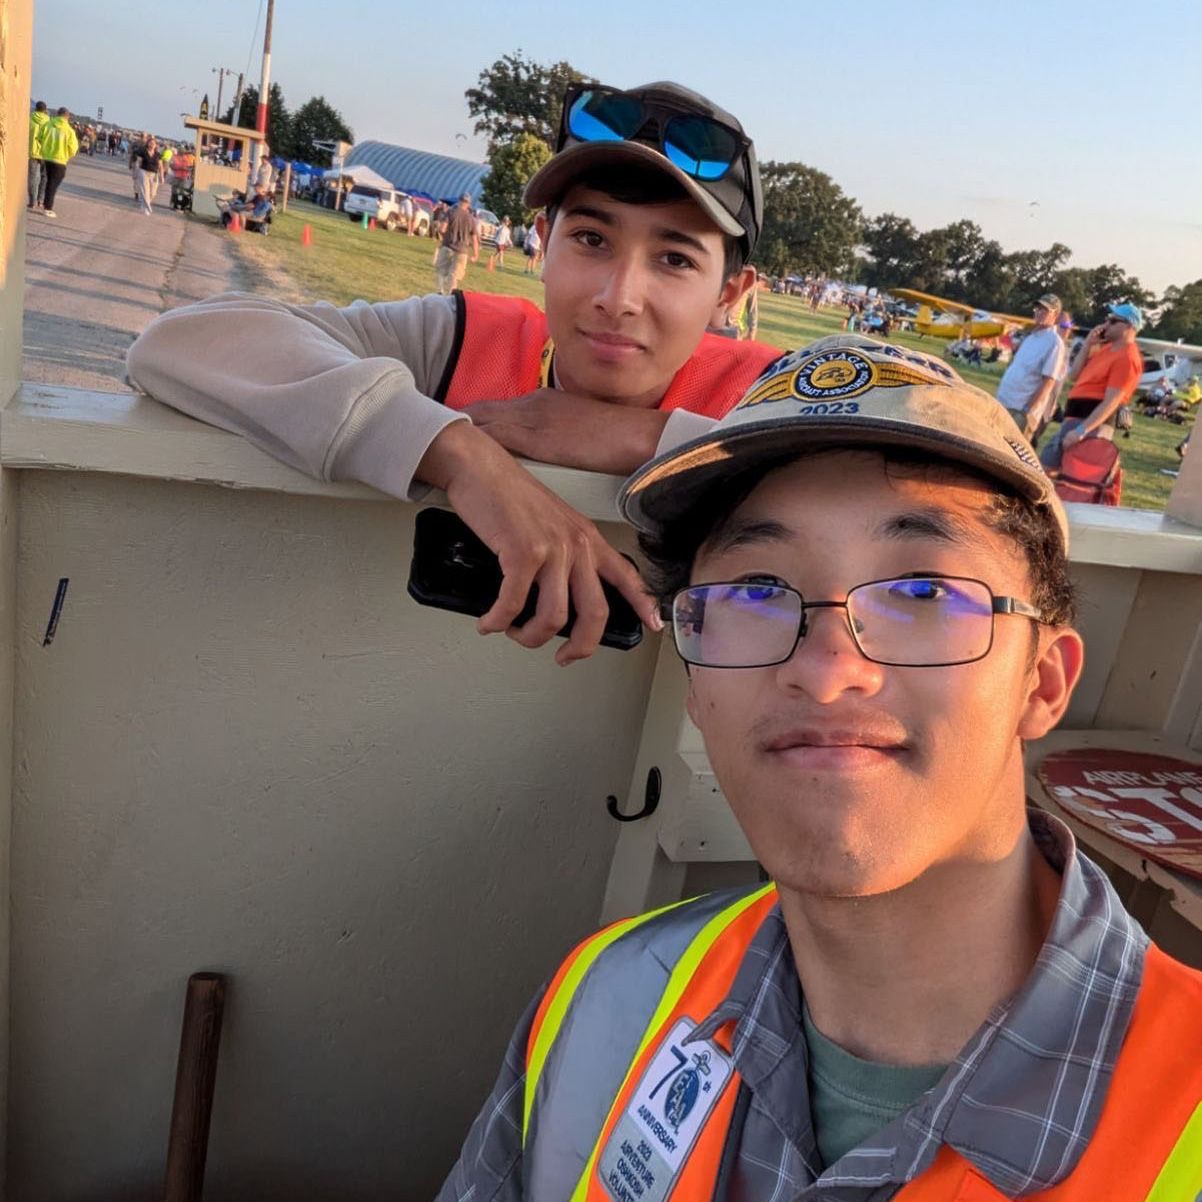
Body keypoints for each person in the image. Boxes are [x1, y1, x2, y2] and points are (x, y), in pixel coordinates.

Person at [440, 334, 1202, 1200]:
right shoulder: (608, 996)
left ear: (1042, 681)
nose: (828, 667)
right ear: (695, 682)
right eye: (756, 593)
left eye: (922, 593)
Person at [127, 80, 779, 665]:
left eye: (674, 259)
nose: (619, 295)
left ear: (732, 293)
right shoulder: (460, 337)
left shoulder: (769, 394)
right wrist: (457, 451)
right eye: (591, 239)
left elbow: (877, 473)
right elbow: (180, 341)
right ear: (541, 243)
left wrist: (643, 440)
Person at [1040, 302, 1144, 472]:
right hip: (1074, 419)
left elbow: (1112, 401)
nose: (1105, 325)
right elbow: (1074, 375)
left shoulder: (1128, 357)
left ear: (1129, 327)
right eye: (1107, 320)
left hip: (1090, 425)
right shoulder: (1106, 349)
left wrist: (1081, 430)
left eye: (1112, 321)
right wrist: (1088, 345)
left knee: (1067, 473)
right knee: (1048, 467)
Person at [993, 294, 1066, 440]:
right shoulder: (1031, 337)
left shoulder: (1054, 342)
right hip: (1003, 403)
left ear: (1055, 315)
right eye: (1038, 308)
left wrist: (1026, 411)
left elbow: (1048, 382)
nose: (1039, 312)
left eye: (1045, 310)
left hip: (1019, 410)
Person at [37, 106, 79, 219]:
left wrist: (46, 149)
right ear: (67, 116)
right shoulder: (69, 130)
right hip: (60, 160)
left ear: (57, 114)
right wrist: (66, 156)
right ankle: (48, 208)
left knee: (46, 181)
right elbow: (73, 148)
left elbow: (39, 138)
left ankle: (41, 201)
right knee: (53, 184)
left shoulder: (47, 125)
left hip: (47, 158)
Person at [433, 193, 480, 294]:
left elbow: (442, 229)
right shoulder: (471, 219)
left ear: (459, 201)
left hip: (448, 246)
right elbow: (475, 239)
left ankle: (440, 292)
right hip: (462, 251)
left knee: (441, 271)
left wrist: (445, 234)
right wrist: (476, 254)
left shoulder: (450, 212)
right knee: (454, 275)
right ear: (468, 204)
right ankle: (451, 294)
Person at [132, 134, 164, 216]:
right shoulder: (143, 151)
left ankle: (144, 205)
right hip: (144, 172)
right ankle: (147, 207)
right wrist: (136, 171)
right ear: (147, 143)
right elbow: (138, 162)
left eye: (154, 143)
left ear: (156, 145)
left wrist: (162, 176)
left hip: (154, 174)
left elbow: (161, 166)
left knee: (153, 193)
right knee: (145, 190)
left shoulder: (158, 154)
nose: (152, 144)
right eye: (150, 143)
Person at [27, 100, 49, 211]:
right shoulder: (49, 123)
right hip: (46, 153)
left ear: (36, 108)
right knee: (44, 177)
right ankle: (40, 200)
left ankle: (32, 201)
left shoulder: (29, 120)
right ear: (45, 110)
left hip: (32, 152)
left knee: (32, 177)